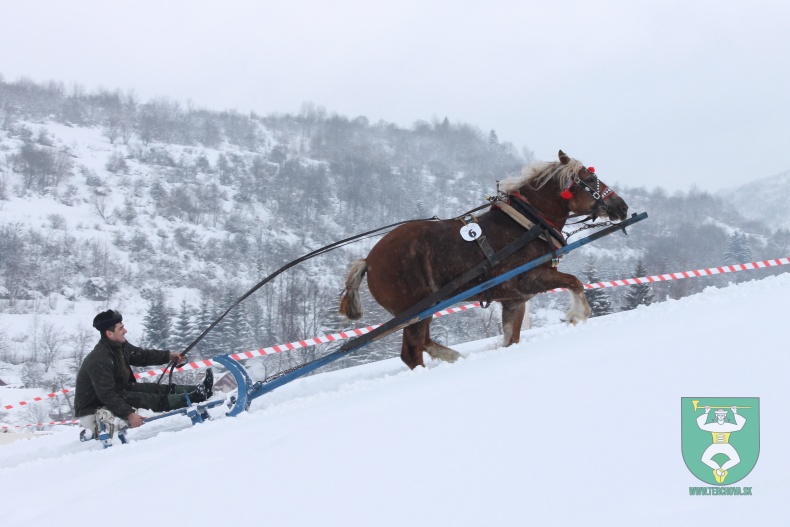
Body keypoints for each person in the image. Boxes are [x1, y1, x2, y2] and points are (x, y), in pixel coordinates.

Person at [75, 309, 213, 433]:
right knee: (145, 398)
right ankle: (192, 398)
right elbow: (106, 394)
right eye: (121, 328)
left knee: (152, 388)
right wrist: (129, 413)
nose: (125, 331)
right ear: (109, 333)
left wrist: (169, 356)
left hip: (117, 393)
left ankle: (198, 390)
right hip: (94, 410)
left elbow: (142, 355)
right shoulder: (100, 359)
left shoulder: (119, 346)